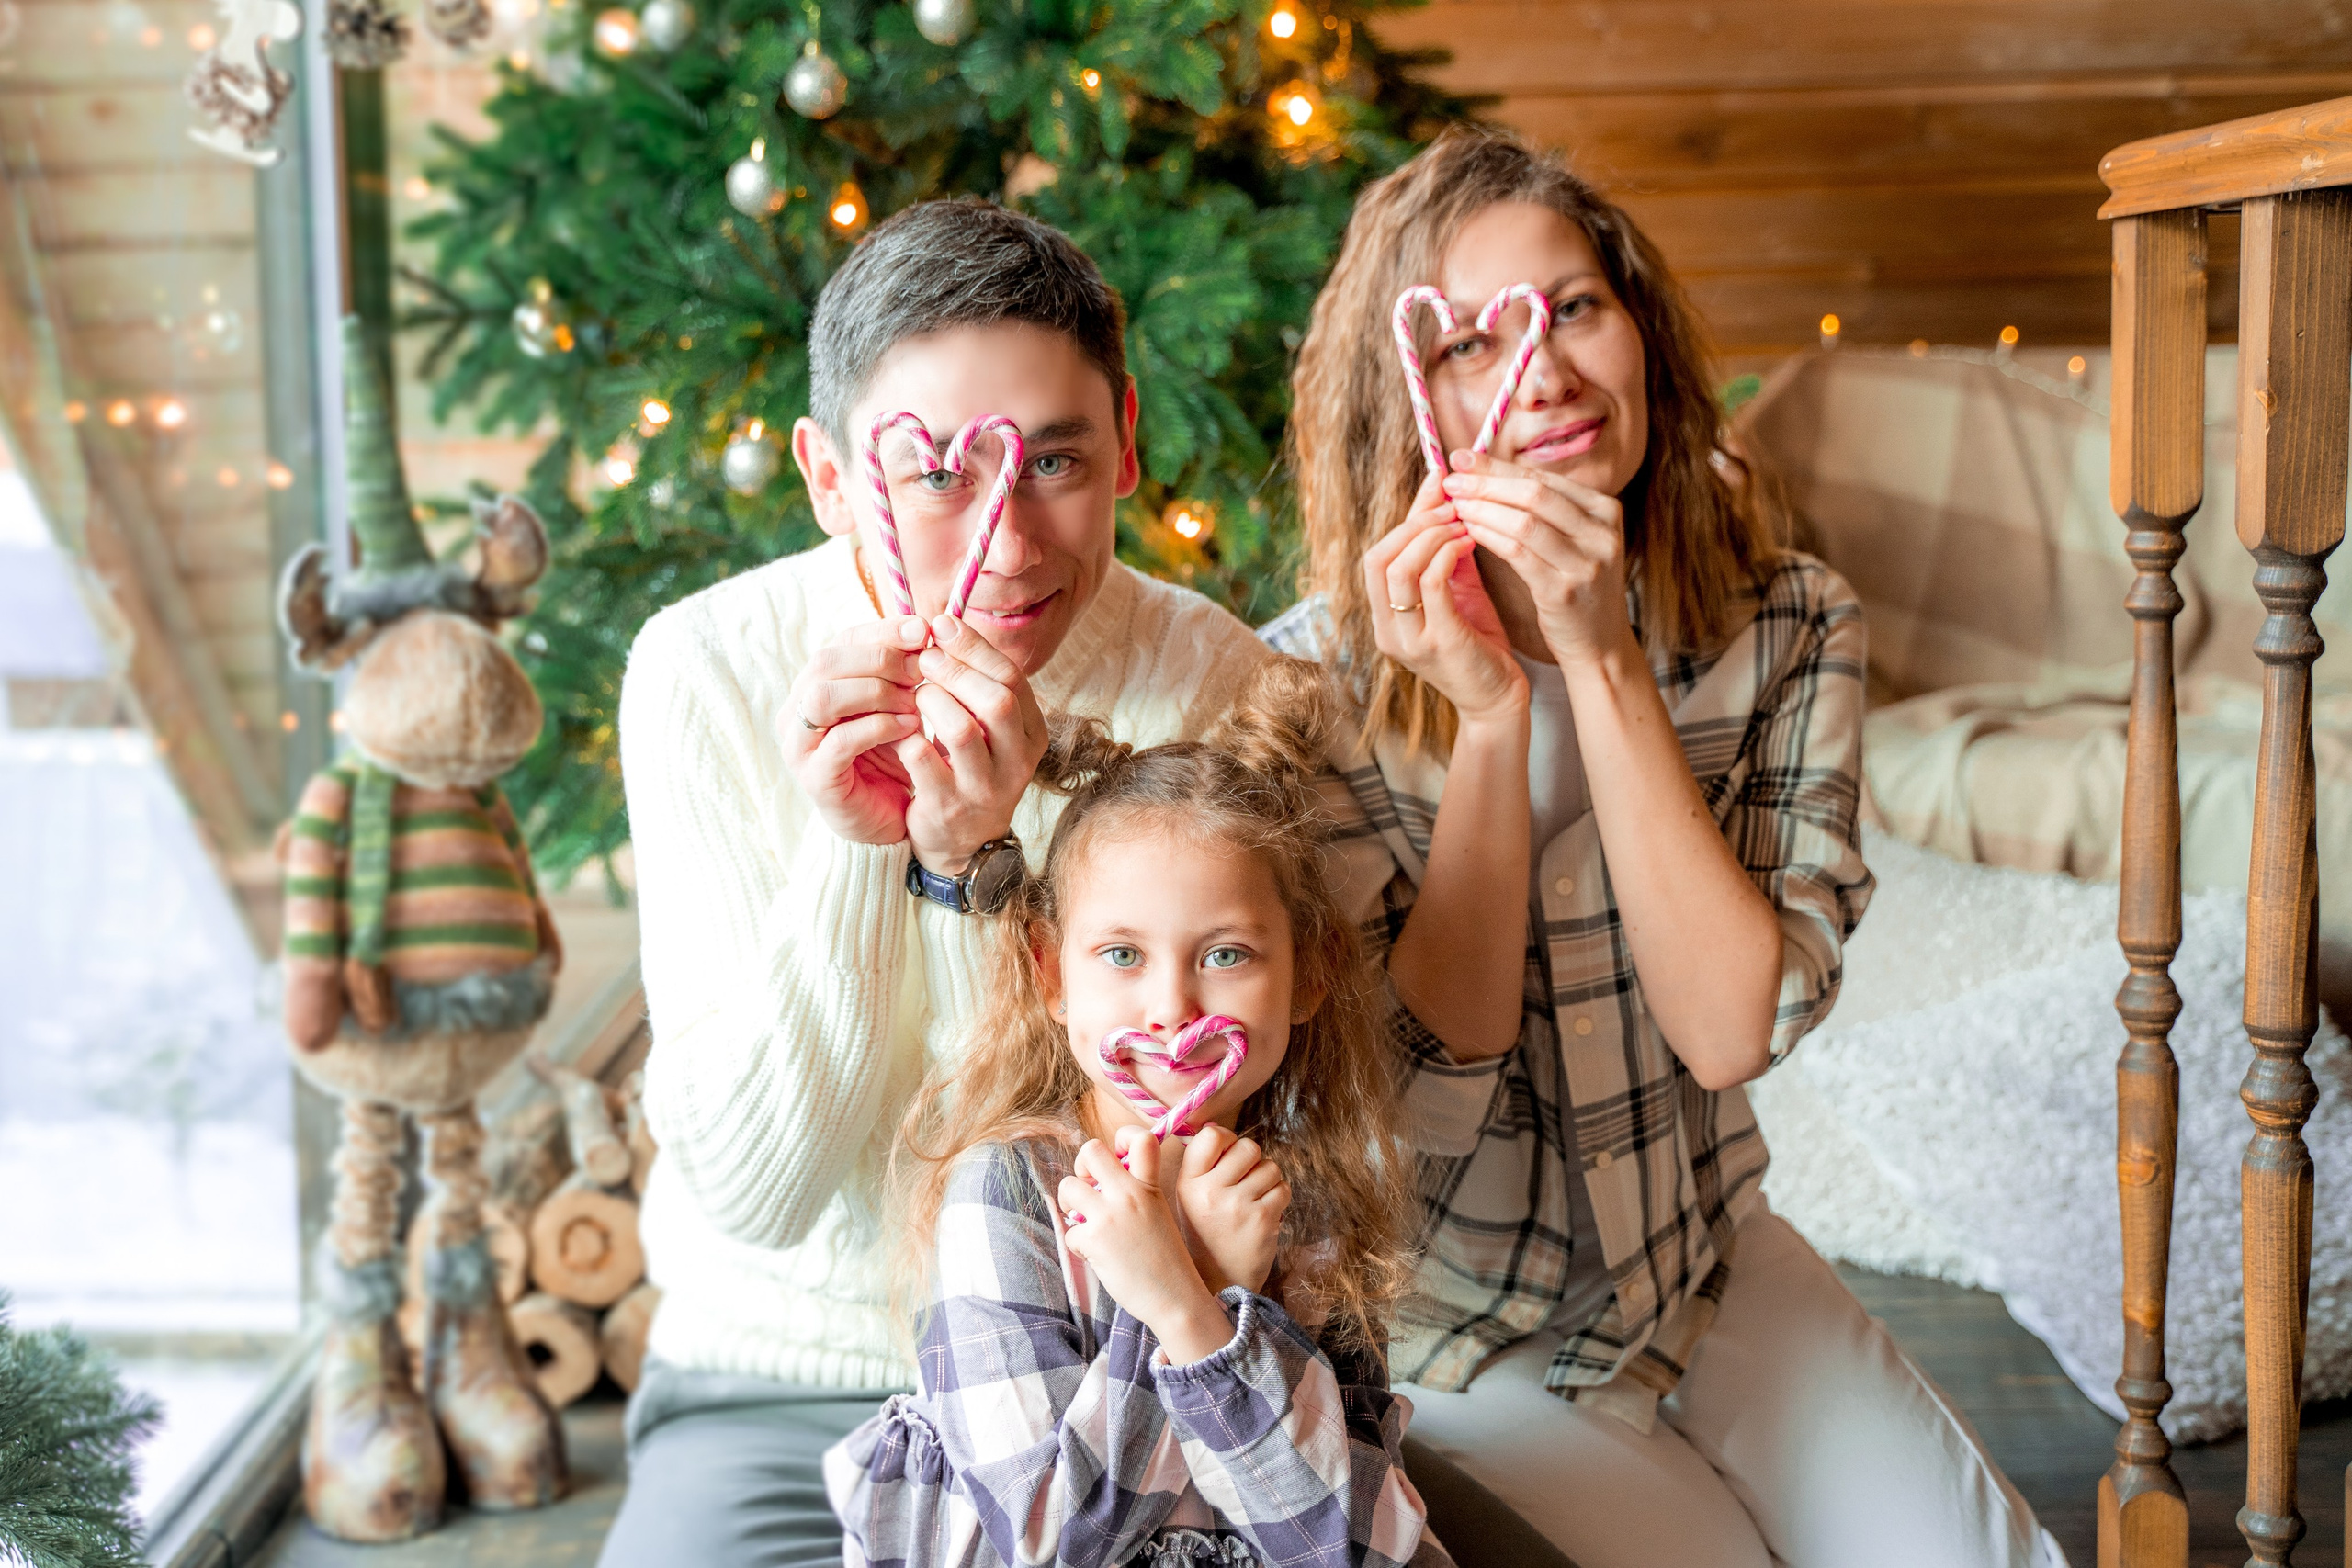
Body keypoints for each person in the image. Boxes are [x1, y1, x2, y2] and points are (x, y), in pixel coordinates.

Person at [1266, 126, 2066, 1568]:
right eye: (1472, 342)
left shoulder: (1790, 621)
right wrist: (1498, 710)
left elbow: (1727, 1029)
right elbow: (1428, 1088)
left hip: (1702, 1266)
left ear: (1640, 329)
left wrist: (1606, 655)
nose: (1549, 370)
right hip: (1461, 1334)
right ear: (1404, 405)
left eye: (1573, 307)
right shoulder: (1306, 694)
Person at [600, 199, 1278, 1564]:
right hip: (780, 1389)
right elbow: (756, 1191)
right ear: (831, 476)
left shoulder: (1205, 683)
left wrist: (974, 870)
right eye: (938, 476)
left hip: (1110, 1348)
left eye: (1054, 462)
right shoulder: (703, 671)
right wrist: (868, 845)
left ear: (1128, 440)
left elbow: (1182, 1108)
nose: (1010, 543)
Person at [826, 660, 1445, 1568]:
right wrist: (1180, 1289)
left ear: (1308, 974)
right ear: (1049, 973)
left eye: (1226, 955)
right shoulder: (1007, 1189)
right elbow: (1047, 1542)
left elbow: (1356, 1550)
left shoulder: (1306, 1207)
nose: (1171, 1009)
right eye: (1121, 955)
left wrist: (1204, 1313)